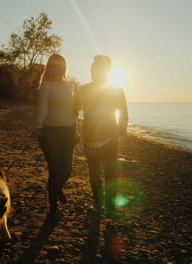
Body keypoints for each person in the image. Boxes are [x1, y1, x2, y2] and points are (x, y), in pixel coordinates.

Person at [75, 55, 128, 218]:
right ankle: (98, 204)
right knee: (94, 174)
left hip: (110, 139)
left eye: (97, 68)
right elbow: (73, 110)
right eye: (92, 68)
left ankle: (111, 208)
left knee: (111, 174)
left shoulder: (117, 89)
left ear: (106, 71)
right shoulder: (83, 89)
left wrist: (121, 129)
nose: (93, 71)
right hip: (89, 139)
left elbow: (124, 113)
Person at [36, 54, 77, 217]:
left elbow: (73, 111)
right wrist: (38, 125)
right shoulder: (46, 84)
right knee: (54, 170)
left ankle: (56, 188)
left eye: (58, 66)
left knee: (66, 169)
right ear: (48, 67)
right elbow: (42, 106)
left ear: (63, 67)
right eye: (51, 66)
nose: (54, 69)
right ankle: (53, 206)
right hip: (50, 131)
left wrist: (77, 129)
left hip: (68, 131)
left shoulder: (70, 86)